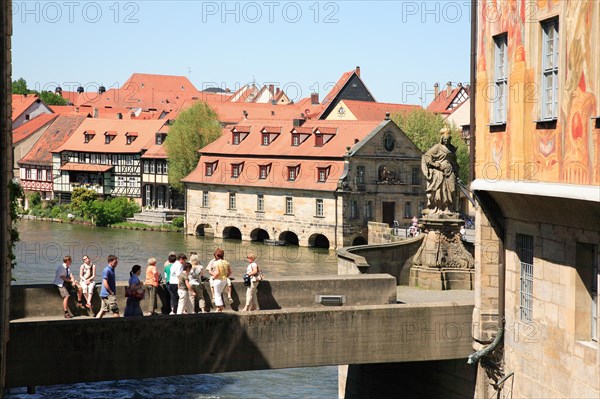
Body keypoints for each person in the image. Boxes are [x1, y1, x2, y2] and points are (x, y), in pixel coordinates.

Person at [421, 127, 459, 215]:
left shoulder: (452, 149)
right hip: (440, 173)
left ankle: (451, 208)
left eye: (448, 139)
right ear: (442, 139)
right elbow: (426, 156)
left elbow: (454, 162)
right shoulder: (437, 147)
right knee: (440, 192)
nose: (446, 141)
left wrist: (457, 172)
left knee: (453, 190)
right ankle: (441, 208)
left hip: (450, 171)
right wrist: (435, 164)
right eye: (445, 139)